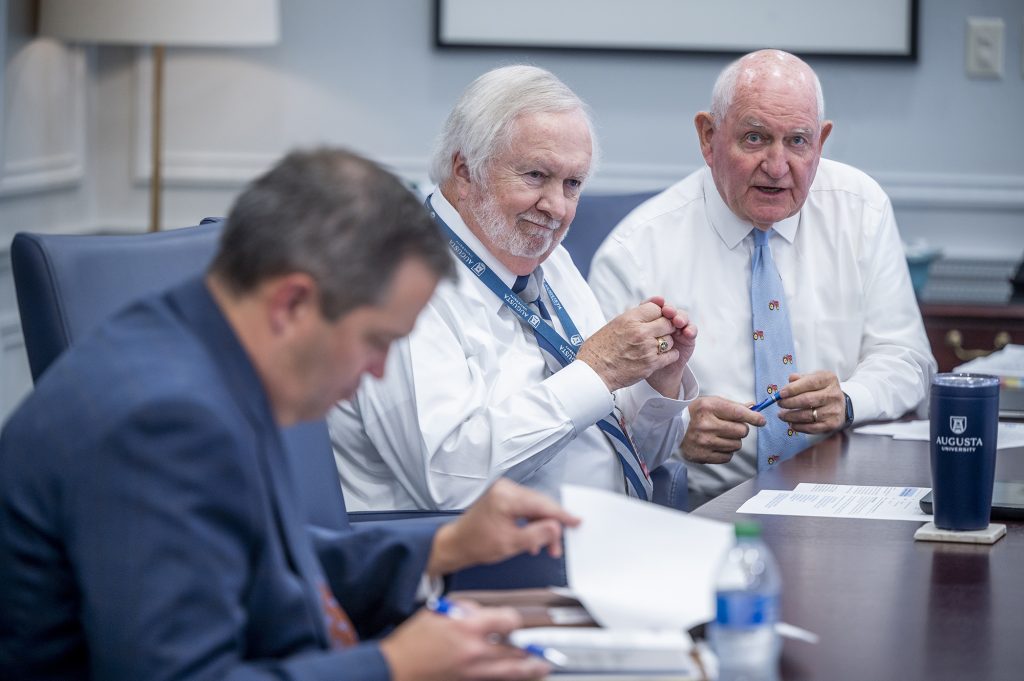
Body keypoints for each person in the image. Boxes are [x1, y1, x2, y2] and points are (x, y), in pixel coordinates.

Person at [0, 148, 581, 681]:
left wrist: (442, 545)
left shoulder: (198, 345)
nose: (378, 371)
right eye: (375, 340)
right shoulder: (164, 420)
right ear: (292, 303)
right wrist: (393, 666)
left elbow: (261, 561)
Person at [329, 65, 699, 511]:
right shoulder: (393, 280)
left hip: (601, 537)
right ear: (464, 170)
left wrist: (656, 388)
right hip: (472, 564)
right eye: (536, 176)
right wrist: (597, 372)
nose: (557, 207)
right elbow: (448, 481)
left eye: (573, 184)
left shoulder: (549, 259)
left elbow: (626, 456)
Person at [589, 49, 936, 507]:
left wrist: (848, 400)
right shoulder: (635, 251)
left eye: (797, 141)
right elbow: (598, 417)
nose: (777, 166)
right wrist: (677, 431)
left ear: (821, 142)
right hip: (707, 508)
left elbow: (907, 359)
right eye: (755, 138)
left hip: (846, 490)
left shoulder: (860, 208)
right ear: (708, 137)